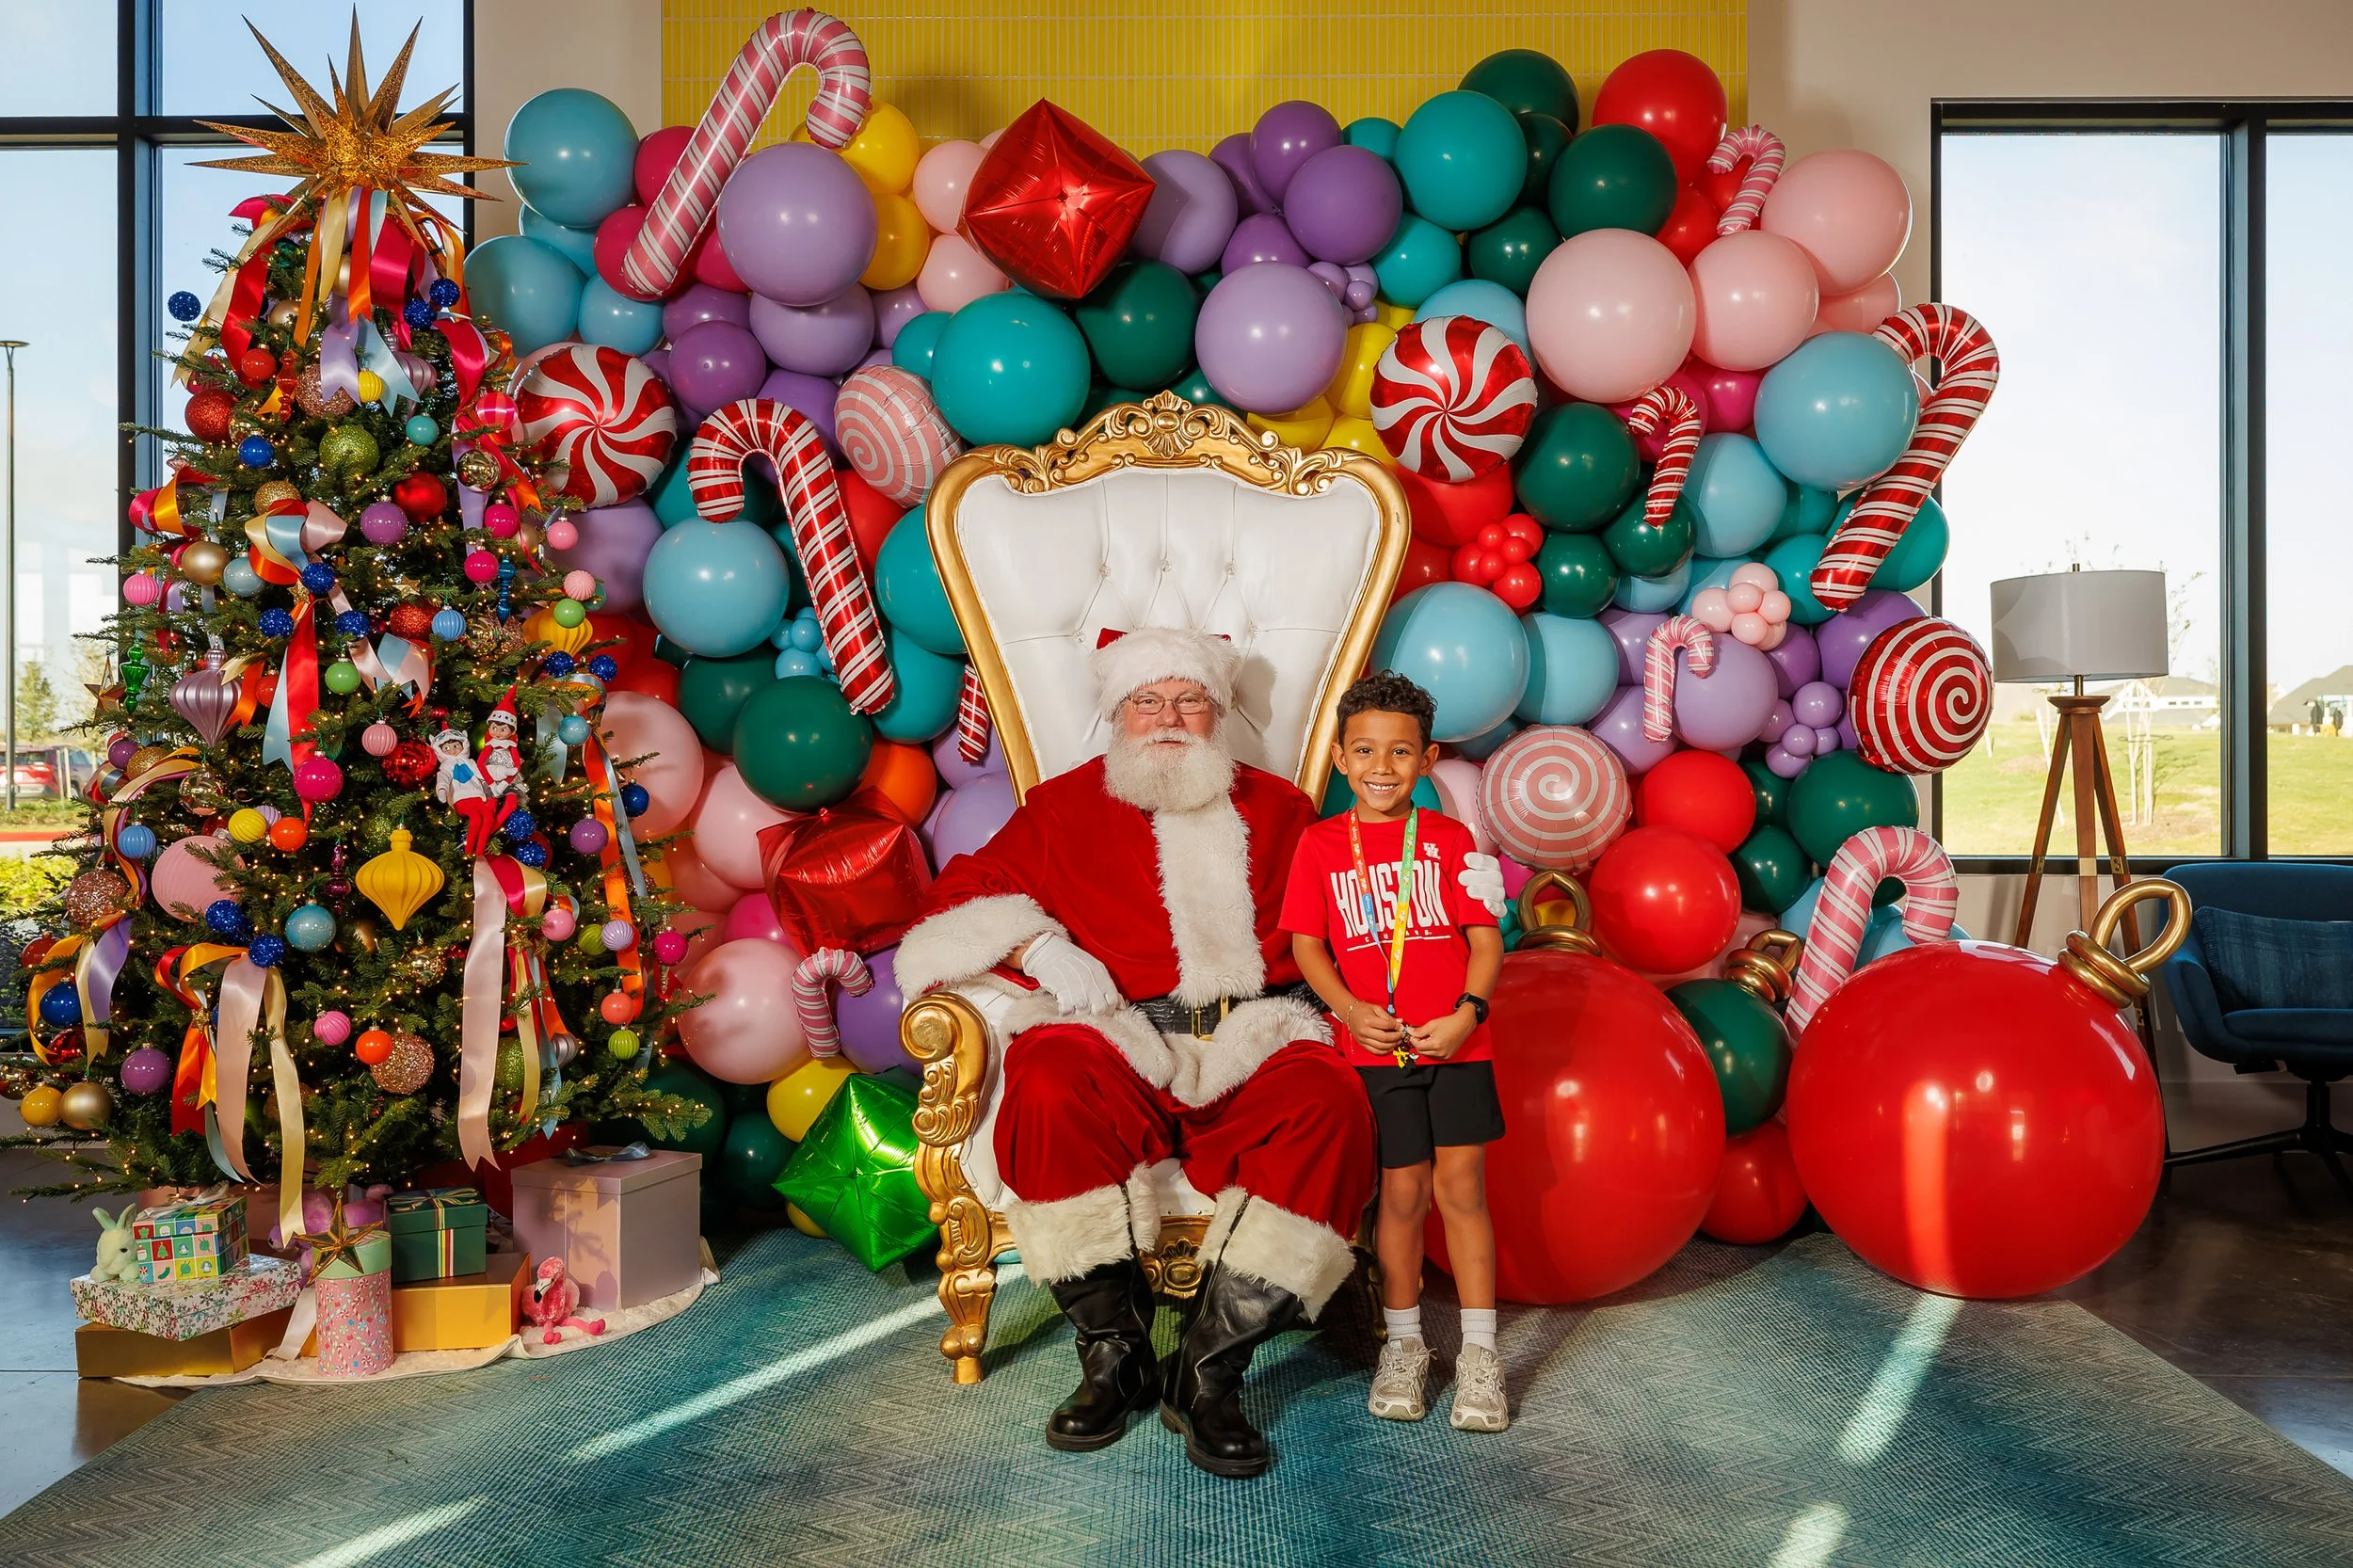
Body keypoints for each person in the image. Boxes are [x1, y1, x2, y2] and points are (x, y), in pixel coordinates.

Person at [895, 627, 1506, 1479]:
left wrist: (1470, 893)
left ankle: (1208, 1372)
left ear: (1218, 713)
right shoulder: (1062, 808)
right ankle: (1114, 1357)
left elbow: (1369, 900)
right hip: (1120, 1033)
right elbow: (954, 900)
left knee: (1329, 1101)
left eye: (1189, 700)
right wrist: (1037, 947)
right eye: (1147, 700)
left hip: (1255, 1034)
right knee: (1045, 1077)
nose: (1169, 718)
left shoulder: (1282, 809)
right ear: (1118, 713)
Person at [1281, 672, 1508, 1432]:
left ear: (1428, 759)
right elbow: (1308, 947)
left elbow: (1485, 944)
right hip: (1376, 1050)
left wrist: (1467, 1015)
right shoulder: (1319, 845)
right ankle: (1404, 1346)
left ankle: (1480, 1356)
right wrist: (1348, 1011)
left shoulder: (1449, 840)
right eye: (1366, 751)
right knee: (1402, 1195)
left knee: (1463, 1190)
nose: (1382, 766)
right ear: (1340, 758)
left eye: (1401, 752)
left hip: (1457, 1045)